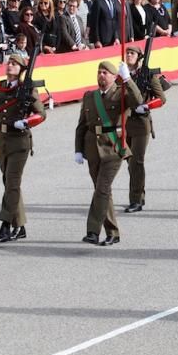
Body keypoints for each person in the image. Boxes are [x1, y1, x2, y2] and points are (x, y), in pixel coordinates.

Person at [75, 60, 142, 246]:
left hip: (113, 147)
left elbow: (138, 102)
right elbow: (82, 125)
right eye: (99, 72)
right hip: (92, 148)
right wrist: (78, 150)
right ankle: (113, 232)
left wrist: (127, 78)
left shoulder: (122, 94)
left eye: (106, 72)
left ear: (114, 76)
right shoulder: (90, 96)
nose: (101, 75)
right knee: (103, 192)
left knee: (102, 189)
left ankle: (92, 231)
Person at [0, 53, 46, 243]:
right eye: (9, 62)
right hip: (1, 140)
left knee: (12, 183)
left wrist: (26, 122)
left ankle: (5, 225)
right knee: (9, 184)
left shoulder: (27, 89)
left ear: (21, 69)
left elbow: (41, 114)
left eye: (14, 63)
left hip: (19, 141)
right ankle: (19, 226)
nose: (10, 65)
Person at [123, 44, 166, 213]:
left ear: (139, 56)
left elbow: (161, 98)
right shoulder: (122, 75)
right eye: (127, 53)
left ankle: (136, 200)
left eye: (132, 53)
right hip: (125, 122)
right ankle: (138, 191)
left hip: (141, 123)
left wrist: (146, 106)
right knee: (129, 161)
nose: (129, 56)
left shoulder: (148, 75)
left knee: (136, 161)